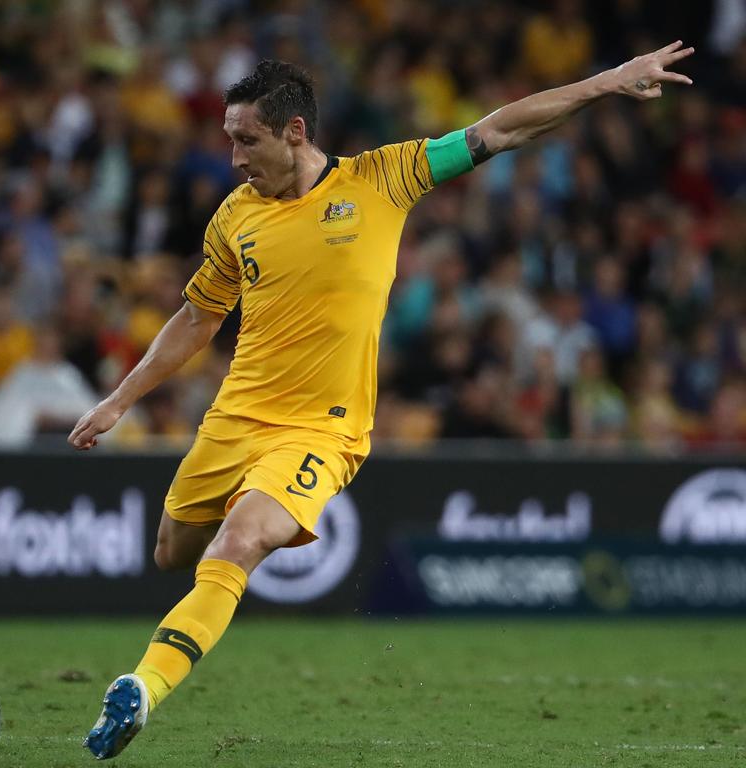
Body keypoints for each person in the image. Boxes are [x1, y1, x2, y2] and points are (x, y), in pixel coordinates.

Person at [68, 45, 695, 760]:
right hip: (234, 417)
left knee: (238, 542)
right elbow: (198, 318)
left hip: (322, 432)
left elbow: (504, 128)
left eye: (248, 141)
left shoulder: (382, 179)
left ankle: (142, 689)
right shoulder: (233, 218)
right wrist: (121, 399)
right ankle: (200, 594)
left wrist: (607, 83)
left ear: (295, 132)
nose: (235, 158)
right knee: (170, 553)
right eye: (228, 140)